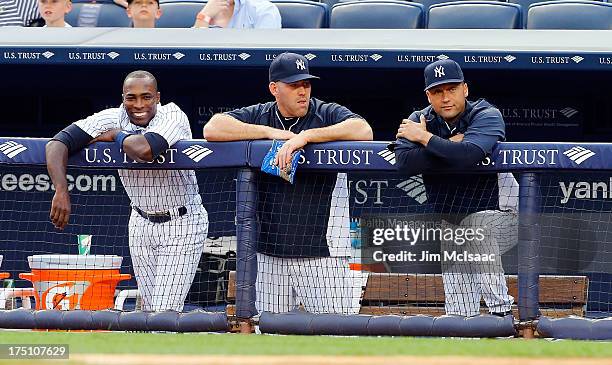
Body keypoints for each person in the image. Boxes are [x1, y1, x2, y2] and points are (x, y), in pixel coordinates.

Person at [204, 52, 372, 316]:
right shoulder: (261, 114)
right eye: (294, 85)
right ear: (274, 88)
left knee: (337, 336)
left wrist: (305, 137)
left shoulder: (325, 112)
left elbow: (363, 130)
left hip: (323, 256)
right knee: (270, 337)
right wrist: (270, 133)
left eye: (306, 84)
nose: (302, 91)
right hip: (270, 255)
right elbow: (213, 128)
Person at [46, 70, 208, 312]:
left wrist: (116, 135)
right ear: (123, 98)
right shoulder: (112, 116)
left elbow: (145, 150)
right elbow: (57, 143)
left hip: (182, 220)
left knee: (165, 311)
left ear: (158, 98)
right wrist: (61, 189)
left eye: (146, 97)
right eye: (131, 98)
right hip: (140, 221)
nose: (139, 104)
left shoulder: (173, 114)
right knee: (150, 310)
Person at [390, 59, 518, 317]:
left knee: (476, 227)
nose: (445, 97)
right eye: (437, 91)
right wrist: (449, 144)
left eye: (451, 89)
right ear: (428, 95)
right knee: (458, 314)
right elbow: (404, 162)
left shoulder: (485, 114)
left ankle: (501, 312)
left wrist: (426, 139)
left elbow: (468, 155)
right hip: (452, 221)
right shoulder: (419, 119)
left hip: (505, 216)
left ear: (465, 89)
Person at [193, 0, 280, 29]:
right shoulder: (207, 9)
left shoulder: (264, 10)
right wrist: (204, 16)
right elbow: (190, 55)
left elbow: (264, 56)